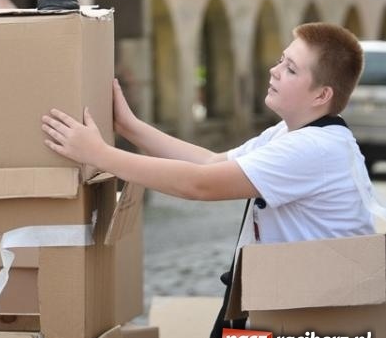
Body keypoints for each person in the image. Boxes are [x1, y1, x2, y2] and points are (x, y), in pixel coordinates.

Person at [42, 23, 375, 243]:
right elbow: (210, 162)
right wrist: (129, 126)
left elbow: (199, 184)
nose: (274, 71)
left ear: (322, 95)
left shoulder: (314, 149)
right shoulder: (289, 133)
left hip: (321, 319)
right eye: (280, 60)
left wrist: (99, 154)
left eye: (290, 69)